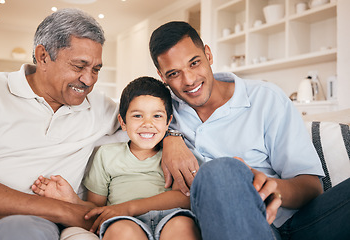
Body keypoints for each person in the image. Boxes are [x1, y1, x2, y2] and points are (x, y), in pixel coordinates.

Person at [149, 21, 350, 239]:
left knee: (225, 168)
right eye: (174, 74)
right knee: (219, 171)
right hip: (230, 225)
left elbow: (312, 187)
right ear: (162, 76)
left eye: (194, 63)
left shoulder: (266, 98)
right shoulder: (159, 110)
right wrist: (171, 137)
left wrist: (273, 189)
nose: (189, 80)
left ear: (208, 54)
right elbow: (124, 118)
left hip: (299, 224)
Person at [0, 8, 121, 240]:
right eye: (79, 66)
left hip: (26, 228)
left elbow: (155, 114)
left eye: (96, 69)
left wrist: (174, 138)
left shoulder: (101, 107)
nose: (88, 80)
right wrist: (67, 210)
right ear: (43, 56)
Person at [32, 76, 201, 240]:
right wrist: (72, 199)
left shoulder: (173, 155)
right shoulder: (107, 155)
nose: (147, 123)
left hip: (170, 217)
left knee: (183, 226)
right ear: (123, 122)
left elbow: (184, 197)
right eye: (137, 116)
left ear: (168, 121)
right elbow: (97, 207)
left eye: (157, 116)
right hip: (123, 220)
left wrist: (129, 207)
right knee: (121, 231)